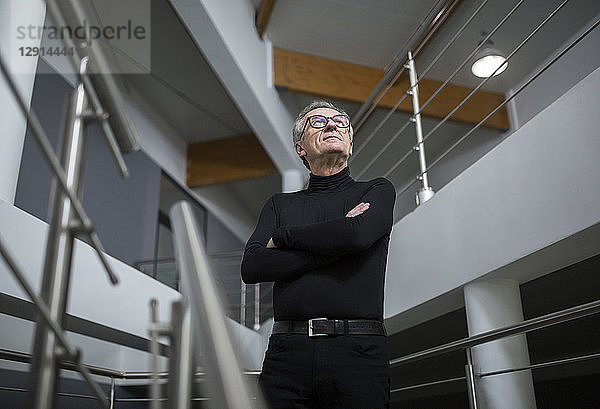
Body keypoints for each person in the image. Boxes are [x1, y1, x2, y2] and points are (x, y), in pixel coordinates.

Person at [241, 100, 396, 408]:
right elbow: (253, 266)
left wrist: (284, 237)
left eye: (340, 121)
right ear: (300, 148)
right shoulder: (279, 204)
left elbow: (359, 234)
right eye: (318, 122)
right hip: (288, 352)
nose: (331, 125)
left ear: (350, 143)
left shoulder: (376, 190)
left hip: (360, 352)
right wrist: (343, 245)